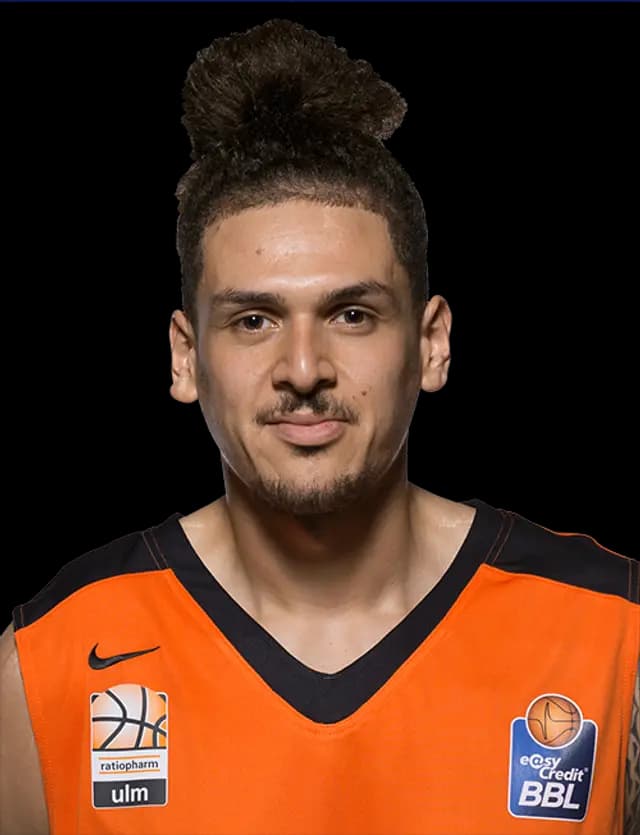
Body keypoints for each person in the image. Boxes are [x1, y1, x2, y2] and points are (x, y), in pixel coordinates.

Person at [0, 17, 637, 835]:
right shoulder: (51, 658)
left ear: (431, 344)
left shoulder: (612, 630)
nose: (303, 369)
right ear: (186, 357)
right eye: (254, 320)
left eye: (352, 313)